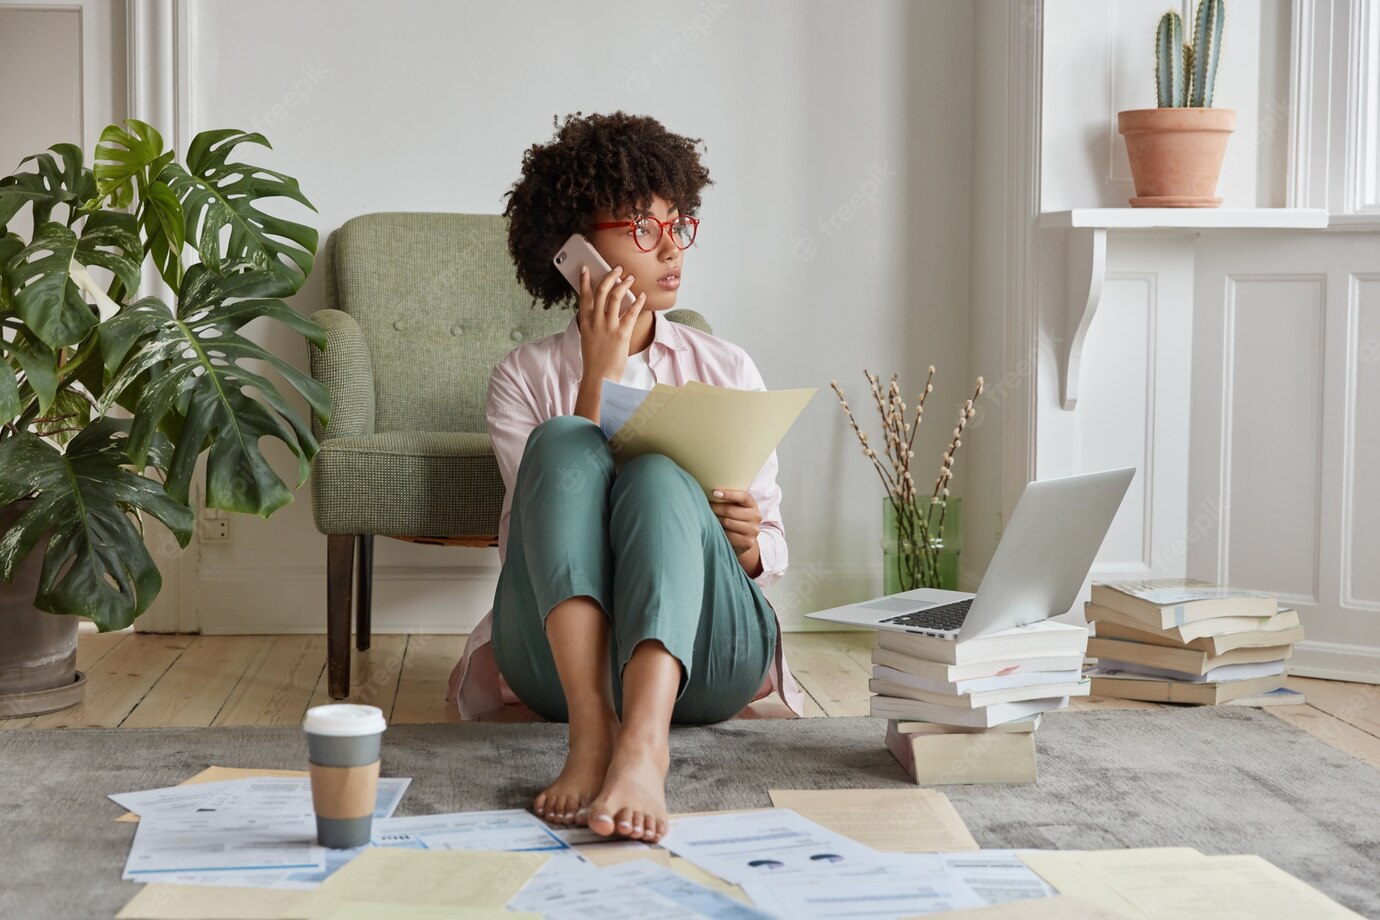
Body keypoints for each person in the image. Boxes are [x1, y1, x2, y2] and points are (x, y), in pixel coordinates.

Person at [446, 111, 805, 846]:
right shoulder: (522, 378)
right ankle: (591, 734)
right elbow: (549, 533)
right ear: (575, 251)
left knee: (659, 477)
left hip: (705, 659)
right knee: (565, 443)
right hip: (555, 666)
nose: (672, 248)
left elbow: (771, 544)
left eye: (679, 224)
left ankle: (644, 746)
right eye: (643, 228)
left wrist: (743, 545)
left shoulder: (727, 367)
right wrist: (599, 379)